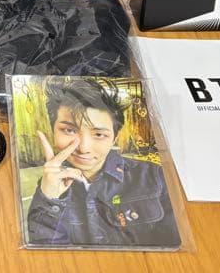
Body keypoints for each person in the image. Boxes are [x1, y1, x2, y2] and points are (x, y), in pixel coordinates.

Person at [25, 78, 180, 248]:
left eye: (99, 134)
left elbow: (175, 249)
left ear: (115, 137)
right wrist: (48, 199)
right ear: (53, 130)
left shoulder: (155, 176)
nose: (83, 148)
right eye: (69, 130)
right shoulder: (50, 183)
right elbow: (46, 253)